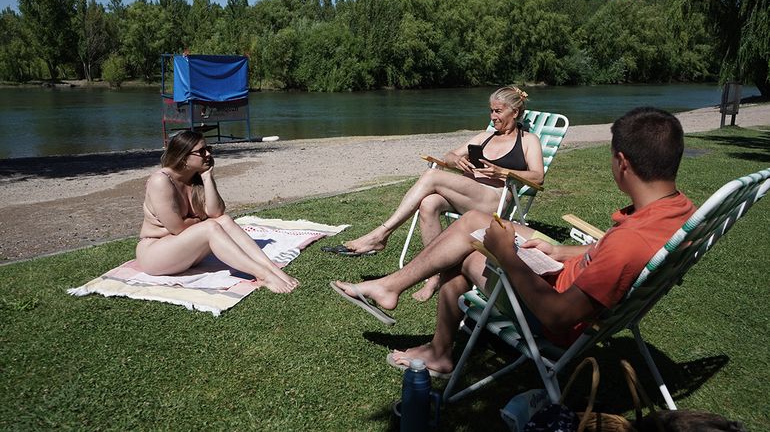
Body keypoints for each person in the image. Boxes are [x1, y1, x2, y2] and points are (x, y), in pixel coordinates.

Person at [332, 107, 695, 376]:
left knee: (467, 249)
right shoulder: (677, 213)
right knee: (475, 222)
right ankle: (392, 292)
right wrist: (559, 249)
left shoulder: (628, 242)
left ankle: (432, 343)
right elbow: (610, 252)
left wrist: (507, 255)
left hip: (552, 310)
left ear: (622, 163)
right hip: (564, 271)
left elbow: (557, 316)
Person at [325, 86, 545, 302]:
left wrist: (503, 171)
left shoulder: (528, 140)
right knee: (429, 203)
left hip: (494, 199)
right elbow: (448, 155)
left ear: (514, 112)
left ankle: (380, 236)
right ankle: (434, 275)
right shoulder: (484, 137)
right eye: (491, 110)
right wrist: (455, 160)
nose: (492, 116)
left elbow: (538, 177)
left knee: (431, 177)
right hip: (469, 195)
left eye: (498, 111)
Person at [136, 130, 299, 294]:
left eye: (208, 149)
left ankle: (272, 269)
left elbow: (216, 213)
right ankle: (262, 275)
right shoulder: (161, 181)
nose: (207, 154)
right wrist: (202, 221)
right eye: (201, 151)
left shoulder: (195, 177)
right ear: (183, 156)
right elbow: (177, 228)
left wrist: (207, 177)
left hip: (182, 251)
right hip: (155, 253)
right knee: (210, 227)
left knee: (224, 221)